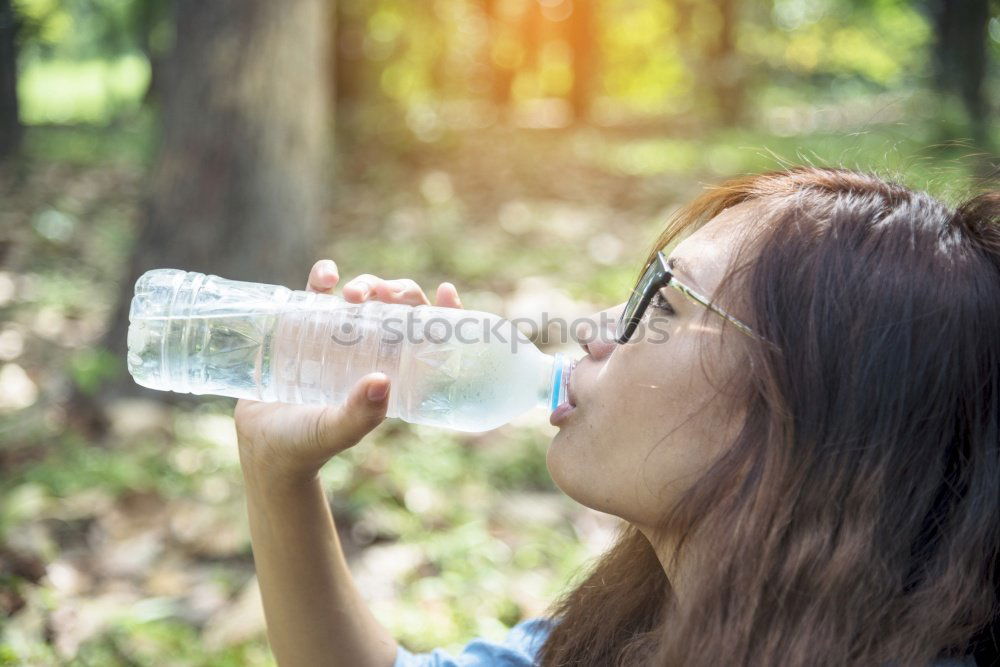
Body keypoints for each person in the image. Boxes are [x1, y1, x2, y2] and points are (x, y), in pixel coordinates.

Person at [233, 167, 1000, 667]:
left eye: (660, 305)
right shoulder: (636, 633)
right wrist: (279, 473)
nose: (597, 327)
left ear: (804, 408)